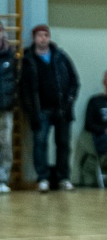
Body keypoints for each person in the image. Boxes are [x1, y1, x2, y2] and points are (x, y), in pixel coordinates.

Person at [19, 24, 79, 192]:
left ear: (49, 37)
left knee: (63, 145)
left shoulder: (61, 57)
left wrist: (69, 101)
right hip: (41, 111)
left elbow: (74, 81)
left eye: (46, 35)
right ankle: (43, 178)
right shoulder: (28, 60)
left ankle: (63, 178)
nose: (43, 38)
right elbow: (24, 89)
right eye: (39, 35)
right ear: (34, 39)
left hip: (62, 110)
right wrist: (31, 111)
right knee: (40, 144)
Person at [0, 24, 17, 193]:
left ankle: (2, 179)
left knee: (5, 143)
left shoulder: (10, 55)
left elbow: (16, 79)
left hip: (5, 107)